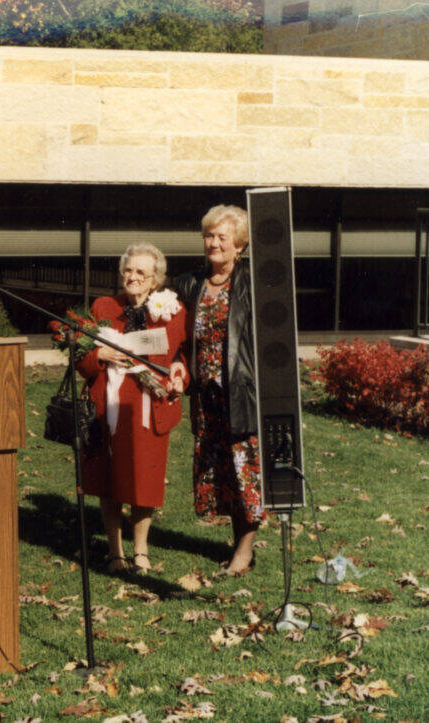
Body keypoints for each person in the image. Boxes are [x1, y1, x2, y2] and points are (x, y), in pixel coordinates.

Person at [74, 244, 188, 575]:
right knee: (109, 478)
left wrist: (181, 374)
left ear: (155, 280)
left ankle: (141, 551)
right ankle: (114, 551)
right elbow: (80, 357)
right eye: (128, 270)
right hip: (107, 405)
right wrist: (101, 357)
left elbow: (181, 356)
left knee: (145, 477)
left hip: (149, 406)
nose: (132, 277)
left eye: (140, 272)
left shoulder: (172, 310)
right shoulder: (104, 306)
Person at [170, 205, 262, 576]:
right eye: (209, 236)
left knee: (244, 469)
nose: (214, 243)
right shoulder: (189, 284)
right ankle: (239, 543)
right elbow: (174, 334)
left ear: (239, 245)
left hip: (240, 391)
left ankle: (244, 552)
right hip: (205, 396)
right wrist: (178, 361)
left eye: (222, 237)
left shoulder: (252, 282)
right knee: (222, 471)